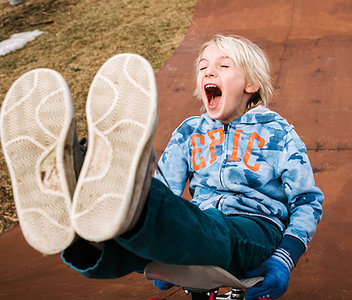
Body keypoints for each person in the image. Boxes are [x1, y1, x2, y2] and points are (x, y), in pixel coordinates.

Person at [0, 35, 324, 300]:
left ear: (251, 84)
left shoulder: (277, 131)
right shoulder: (190, 132)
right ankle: (80, 227)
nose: (209, 72)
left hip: (253, 230)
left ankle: (106, 180)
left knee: (205, 227)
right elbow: (166, 188)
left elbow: (307, 201)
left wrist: (285, 257)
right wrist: (161, 245)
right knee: (127, 240)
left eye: (223, 66)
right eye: (203, 68)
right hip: (198, 227)